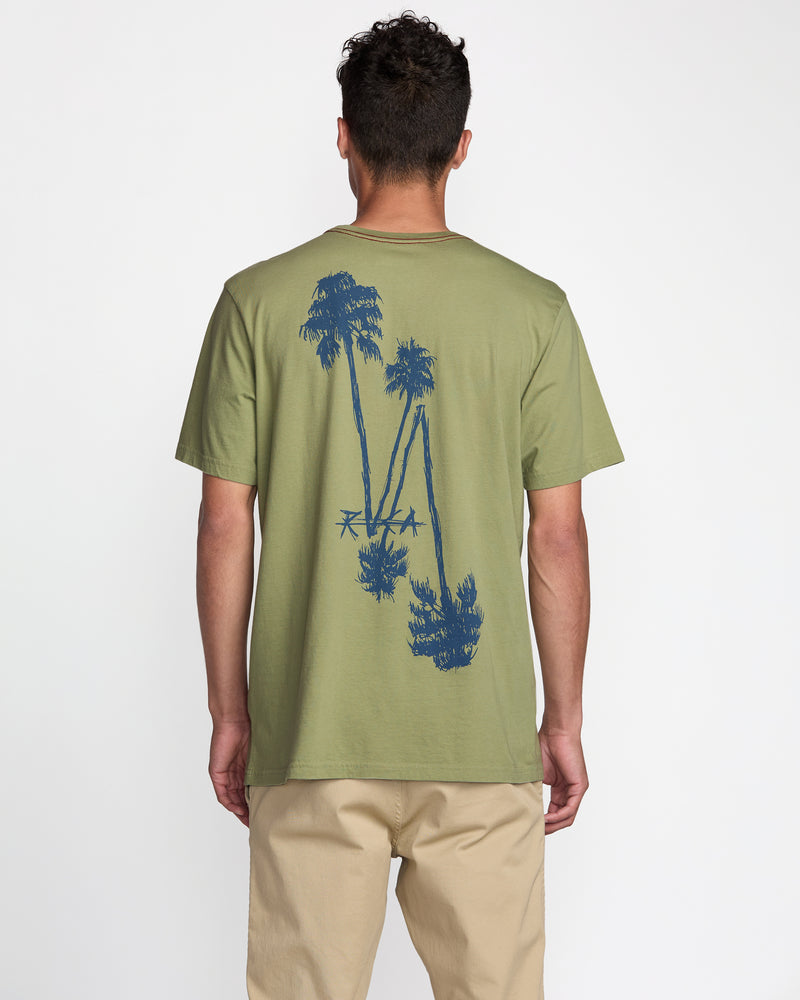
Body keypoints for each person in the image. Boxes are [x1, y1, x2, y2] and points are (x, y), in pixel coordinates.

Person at [174, 10, 624, 999]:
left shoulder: (256, 301)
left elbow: (222, 519)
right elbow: (556, 531)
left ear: (343, 136)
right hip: (479, 739)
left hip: (311, 731)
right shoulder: (533, 311)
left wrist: (229, 709)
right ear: (461, 147)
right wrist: (561, 718)